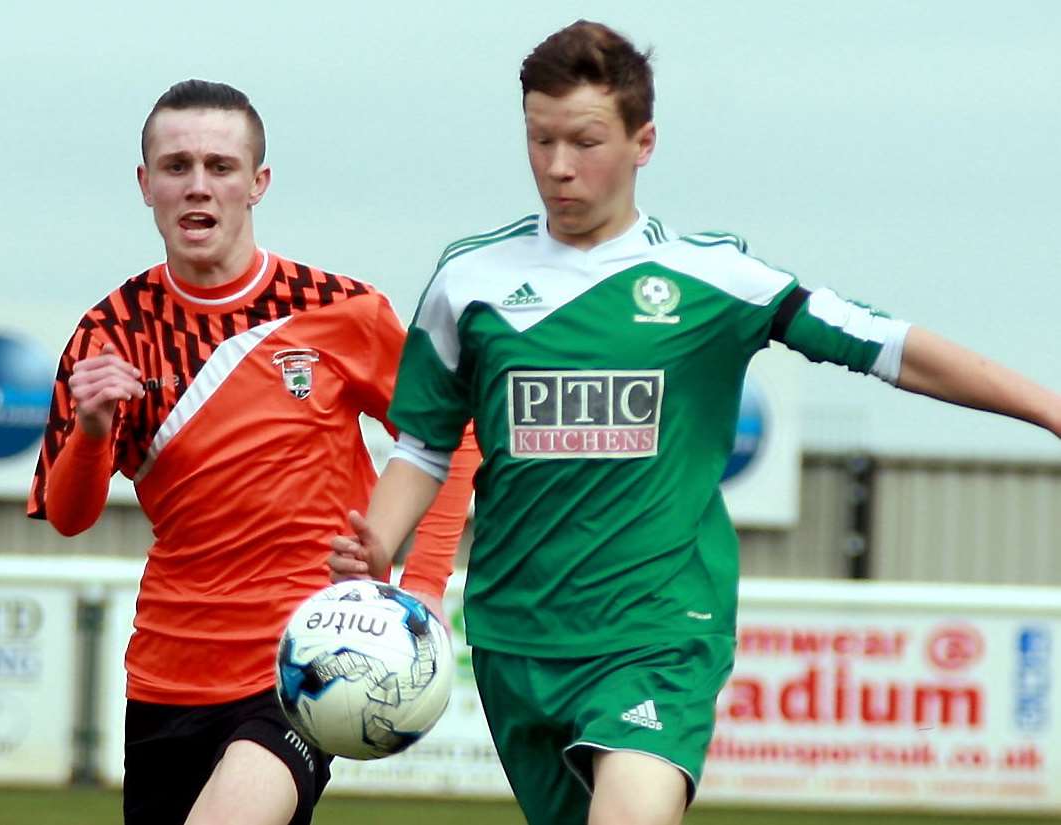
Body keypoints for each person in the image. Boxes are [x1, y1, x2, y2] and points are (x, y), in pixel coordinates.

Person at [328, 20, 1061, 825]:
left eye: (586, 140)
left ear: (645, 141)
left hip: (659, 628)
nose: (559, 166)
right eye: (539, 140)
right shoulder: (469, 282)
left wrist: (1050, 410)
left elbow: (887, 346)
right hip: (514, 637)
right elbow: (426, 445)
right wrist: (381, 545)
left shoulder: (709, 278)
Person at [26, 79, 477, 825]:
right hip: (167, 671)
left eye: (220, 165)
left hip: (307, 658)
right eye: (176, 166)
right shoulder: (109, 332)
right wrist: (95, 429)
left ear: (257, 183)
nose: (198, 185)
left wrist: (421, 584)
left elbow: (454, 434)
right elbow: (70, 516)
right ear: (145, 184)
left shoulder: (339, 309)